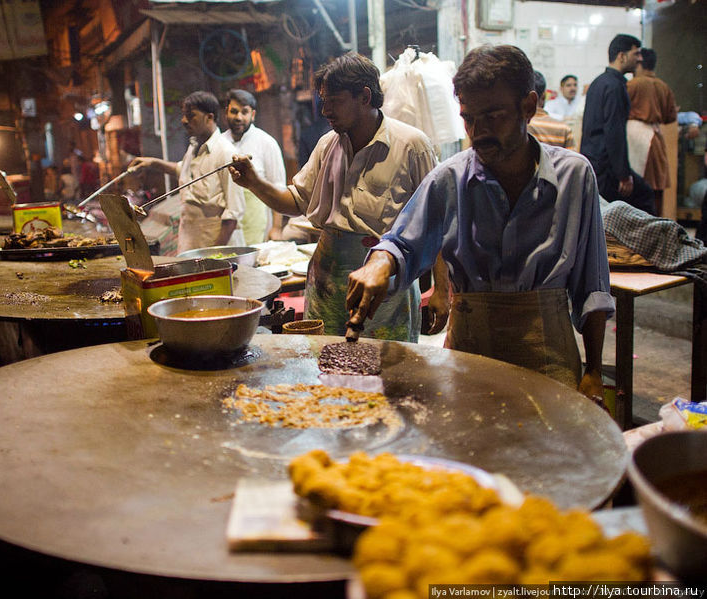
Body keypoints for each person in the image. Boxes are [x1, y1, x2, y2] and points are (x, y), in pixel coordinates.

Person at [346, 45, 615, 403]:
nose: (478, 131)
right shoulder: (449, 178)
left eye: (493, 116)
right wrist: (379, 263)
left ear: (528, 106)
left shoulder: (574, 176)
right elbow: (403, 242)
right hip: (469, 352)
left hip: (548, 359)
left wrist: (594, 372)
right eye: (469, 117)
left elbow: (591, 285)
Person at [230, 52, 445, 342]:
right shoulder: (327, 144)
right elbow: (296, 202)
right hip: (327, 280)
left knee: (387, 372)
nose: (325, 110)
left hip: (386, 283)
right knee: (326, 371)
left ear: (365, 96)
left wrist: (443, 291)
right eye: (324, 101)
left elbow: (437, 222)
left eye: (334, 101)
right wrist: (254, 182)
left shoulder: (412, 145)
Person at [130, 91, 245, 253]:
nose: (184, 121)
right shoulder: (194, 146)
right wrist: (153, 162)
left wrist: (214, 254)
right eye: (184, 115)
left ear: (209, 117)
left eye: (191, 116)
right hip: (191, 239)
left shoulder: (225, 152)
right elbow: (182, 171)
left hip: (216, 241)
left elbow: (233, 213)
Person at [581, 34, 656, 215]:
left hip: (594, 163)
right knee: (644, 196)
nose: (639, 58)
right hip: (607, 169)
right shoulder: (615, 86)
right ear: (622, 56)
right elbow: (614, 131)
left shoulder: (598, 82)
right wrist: (623, 175)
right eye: (636, 54)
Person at [221, 89, 287, 244]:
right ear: (226, 113)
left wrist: (277, 228)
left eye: (244, 112)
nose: (239, 117)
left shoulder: (266, 142)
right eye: (234, 112)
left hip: (259, 222)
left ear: (253, 114)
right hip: (226, 226)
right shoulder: (220, 143)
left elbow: (278, 187)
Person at [626, 48, 678, 215]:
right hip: (656, 139)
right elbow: (671, 117)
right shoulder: (664, 87)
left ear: (639, 62)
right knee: (656, 191)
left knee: (635, 189)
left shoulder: (632, 84)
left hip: (635, 139)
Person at [528, 71, 575, 149]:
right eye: (569, 85)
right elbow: (573, 160)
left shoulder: (517, 127)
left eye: (574, 85)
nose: (572, 88)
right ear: (544, 97)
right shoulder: (564, 129)